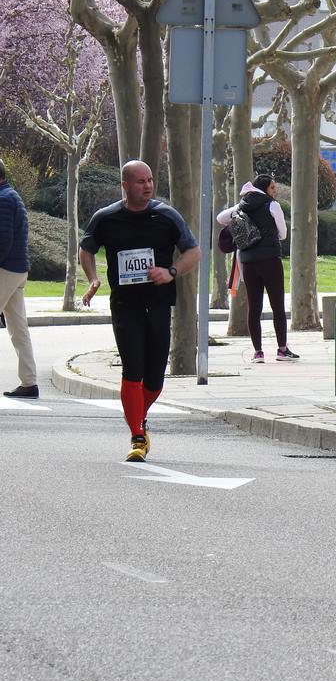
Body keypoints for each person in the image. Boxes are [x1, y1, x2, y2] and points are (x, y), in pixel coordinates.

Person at [79, 160, 201, 463]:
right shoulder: (105, 218)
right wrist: (93, 279)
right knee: (132, 370)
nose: (147, 186)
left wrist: (170, 271)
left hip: (158, 303)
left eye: (150, 180)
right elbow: (87, 249)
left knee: (155, 380)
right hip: (125, 305)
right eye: (140, 181)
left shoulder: (166, 215)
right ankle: (137, 435)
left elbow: (193, 252)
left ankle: (138, 416)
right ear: (125, 185)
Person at [216, 176, 298, 364]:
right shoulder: (272, 205)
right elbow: (283, 234)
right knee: (277, 305)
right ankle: (282, 350)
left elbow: (220, 218)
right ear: (265, 188)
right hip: (270, 259)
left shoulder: (242, 205)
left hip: (248, 261)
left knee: (254, 307)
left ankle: (258, 352)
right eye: (272, 187)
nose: (274, 190)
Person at [0, 158, 37, 399]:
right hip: (17, 269)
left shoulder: (3, 200)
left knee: (18, 328)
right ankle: (29, 382)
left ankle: (30, 382)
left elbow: (3, 240)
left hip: (6, 268)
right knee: (17, 327)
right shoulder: (10, 196)